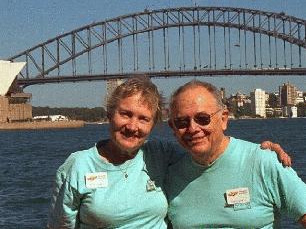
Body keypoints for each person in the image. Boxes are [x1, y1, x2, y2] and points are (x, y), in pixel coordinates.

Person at [47, 76, 291, 228]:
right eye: (125, 114)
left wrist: (259, 154)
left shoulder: (161, 155)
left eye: (143, 118)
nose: (132, 126)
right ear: (109, 114)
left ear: (154, 125)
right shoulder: (77, 166)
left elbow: (208, 150)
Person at [166, 80, 306, 228]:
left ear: (223, 119)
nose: (193, 128)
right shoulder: (166, 173)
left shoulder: (263, 162)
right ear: (173, 128)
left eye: (202, 119)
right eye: (181, 122)